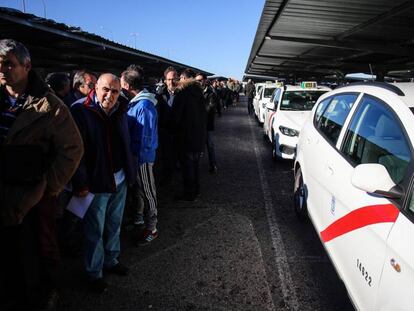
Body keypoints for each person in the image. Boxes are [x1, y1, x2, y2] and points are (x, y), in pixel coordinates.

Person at [0, 39, 83, 310]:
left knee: (39, 247)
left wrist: (49, 187)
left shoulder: (51, 106)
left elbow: (73, 149)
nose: (2, 69)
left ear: (27, 66)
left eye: (8, 64)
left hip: (30, 193)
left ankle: (45, 292)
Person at [70, 73, 136, 293]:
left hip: (120, 178)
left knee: (114, 224)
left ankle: (111, 260)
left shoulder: (122, 108)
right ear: (95, 87)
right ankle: (94, 272)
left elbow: (125, 141)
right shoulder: (80, 110)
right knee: (94, 230)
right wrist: (80, 182)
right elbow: (74, 151)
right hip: (96, 182)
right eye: (105, 89)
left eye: (115, 91)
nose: (110, 95)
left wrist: (130, 171)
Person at [121, 65, 159, 245]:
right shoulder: (136, 103)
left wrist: (138, 158)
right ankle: (139, 219)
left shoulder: (144, 105)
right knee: (138, 191)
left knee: (148, 191)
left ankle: (152, 227)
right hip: (135, 157)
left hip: (142, 158)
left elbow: (146, 137)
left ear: (127, 86)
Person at [172, 68, 207, 201]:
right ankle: (196, 190)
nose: (179, 80)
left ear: (185, 79)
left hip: (185, 137)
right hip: (198, 136)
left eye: (180, 78)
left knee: (187, 167)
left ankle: (189, 193)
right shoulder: (199, 93)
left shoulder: (182, 94)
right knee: (195, 166)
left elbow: (176, 117)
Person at [157, 66, 179, 185]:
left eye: (173, 78)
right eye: (169, 79)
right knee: (165, 155)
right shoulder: (160, 95)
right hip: (165, 130)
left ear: (178, 78)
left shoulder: (183, 93)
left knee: (177, 154)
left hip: (179, 131)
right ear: (165, 80)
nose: (171, 82)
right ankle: (167, 176)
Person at [195, 73, 218, 173]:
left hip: (207, 124)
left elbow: (211, 106)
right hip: (196, 125)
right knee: (197, 146)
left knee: (210, 145)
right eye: (197, 80)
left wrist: (199, 114)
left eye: (200, 80)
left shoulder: (211, 93)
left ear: (205, 80)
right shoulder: (194, 92)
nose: (199, 82)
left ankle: (213, 165)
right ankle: (195, 166)